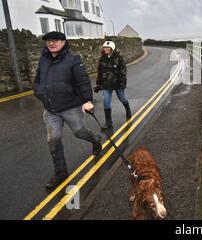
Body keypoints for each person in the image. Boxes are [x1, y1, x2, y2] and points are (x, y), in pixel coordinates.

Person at [34, 31, 102, 189]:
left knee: (79, 132)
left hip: (71, 107)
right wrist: (38, 92)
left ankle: (96, 139)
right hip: (50, 109)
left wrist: (87, 100)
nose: (52, 43)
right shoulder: (43, 59)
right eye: (49, 41)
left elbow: (83, 81)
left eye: (56, 40)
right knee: (53, 139)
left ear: (64, 42)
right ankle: (61, 172)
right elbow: (38, 80)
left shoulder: (73, 59)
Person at [94, 41, 132, 128]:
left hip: (118, 84)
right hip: (106, 85)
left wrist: (122, 84)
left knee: (122, 99)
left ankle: (127, 108)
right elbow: (100, 72)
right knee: (106, 102)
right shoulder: (102, 59)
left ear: (112, 48)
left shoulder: (119, 58)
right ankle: (108, 122)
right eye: (104, 47)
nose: (106, 49)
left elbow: (123, 72)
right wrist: (98, 84)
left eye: (108, 47)